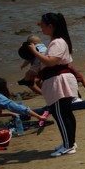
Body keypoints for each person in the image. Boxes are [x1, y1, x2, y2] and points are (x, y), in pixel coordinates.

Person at [30, 12, 80, 156]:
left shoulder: (58, 42)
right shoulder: (59, 41)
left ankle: (69, 145)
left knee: (60, 114)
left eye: (43, 25)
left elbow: (51, 61)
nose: (41, 29)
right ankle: (69, 142)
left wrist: (34, 51)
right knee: (65, 113)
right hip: (61, 80)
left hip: (59, 81)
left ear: (50, 26)